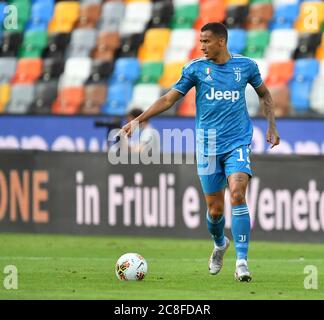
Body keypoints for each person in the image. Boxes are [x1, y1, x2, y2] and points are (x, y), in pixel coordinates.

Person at [120, 22, 280, 282]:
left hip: (237, 142)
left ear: (221, 41)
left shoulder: (246, 66)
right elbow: (168, 99)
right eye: (200, 41)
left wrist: (272, 124)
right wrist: (138, 120)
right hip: (207, 147)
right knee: (215, 211)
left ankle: (242, 261)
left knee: (238, 194)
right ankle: (219, 244)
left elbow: (265, 94)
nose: (201, 46)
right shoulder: (195, 69)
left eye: (206, 41)